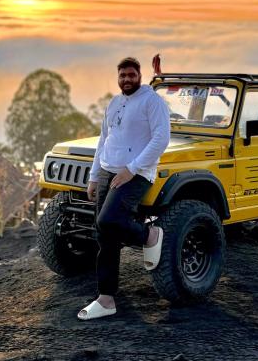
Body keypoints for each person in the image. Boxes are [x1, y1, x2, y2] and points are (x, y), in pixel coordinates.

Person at [78, 56, 170, 320]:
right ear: (117, 78)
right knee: (103, 233)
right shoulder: (115, 102)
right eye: (122, 76)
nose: (127, 79)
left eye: (131, 75)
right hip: (108, 171)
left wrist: (133, 168)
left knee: (108, 221)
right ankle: (106, 299)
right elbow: (104, 140)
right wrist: (94, 177)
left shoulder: (152, 101)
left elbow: (161, 138)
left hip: (136, 173)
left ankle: (149, 235)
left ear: (139, 75)